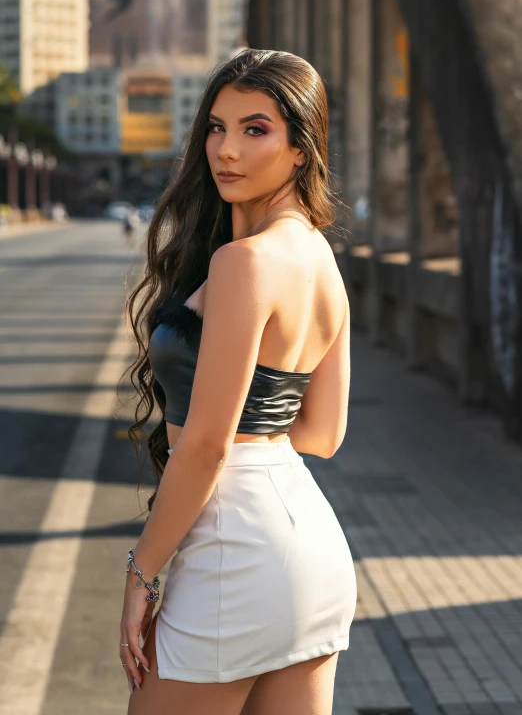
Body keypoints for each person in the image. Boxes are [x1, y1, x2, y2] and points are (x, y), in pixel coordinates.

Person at [119, 49, 357, 715]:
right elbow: (322, 433)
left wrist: (141, 572)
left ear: (302, 148)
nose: (226, 149)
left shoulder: (243, 264)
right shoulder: (318, 256)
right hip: (311, 552)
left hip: (236, 556)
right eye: (217, 128)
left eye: (256, 129)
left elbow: (205, 449)